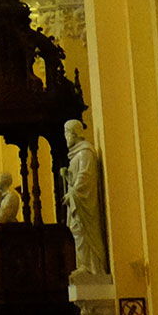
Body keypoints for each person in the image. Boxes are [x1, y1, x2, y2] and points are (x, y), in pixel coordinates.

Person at [62, 118, 105, 275]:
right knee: (77, 231)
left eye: (67, 134)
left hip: (83, 202)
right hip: (77, 201)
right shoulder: (77, 154)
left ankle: (91, 266)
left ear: (74, 134)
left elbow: (85, 177)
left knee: (82, 231)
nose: (66, 138)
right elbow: (76, 178)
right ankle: (84, 265)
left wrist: (71, 193)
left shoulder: (85, 153)